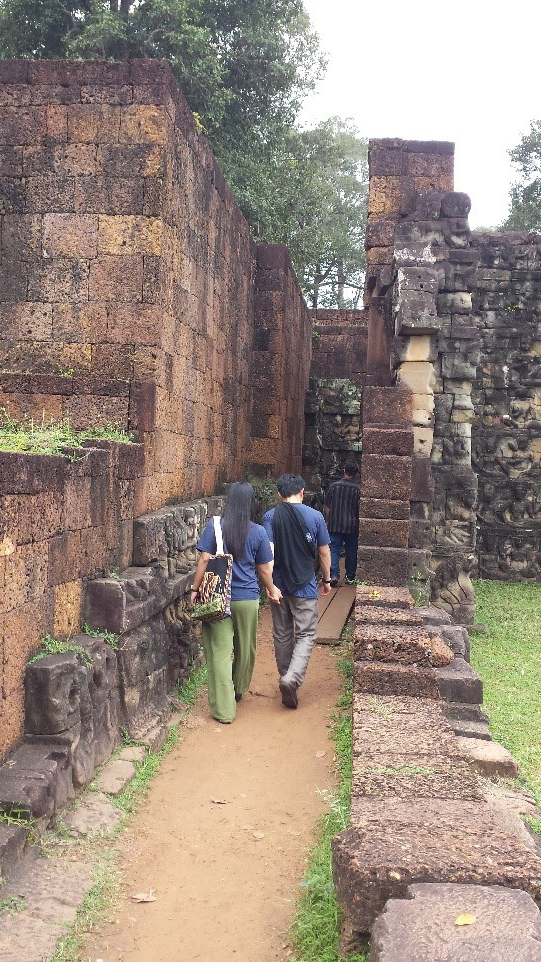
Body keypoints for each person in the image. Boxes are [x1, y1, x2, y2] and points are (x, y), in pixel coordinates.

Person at [191, 482, 282, 723]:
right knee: (246, 648)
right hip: (247, 598)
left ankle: (224, 710)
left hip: (218, 598)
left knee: (220, 653)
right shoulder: (259, 532)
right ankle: (239, 689)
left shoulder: (215, 526)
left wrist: (195, 589)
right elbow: (264, 569)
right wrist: (272, 589)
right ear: (251, 503)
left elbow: (204, 559)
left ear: (229, 501)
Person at [262, 474, 331, 710]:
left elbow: (269, 553)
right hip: (305, 585)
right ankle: (291, 679)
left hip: (279, 585)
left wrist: (270, 586)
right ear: (302, 492)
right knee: (306, 634)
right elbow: (324, 552)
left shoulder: (270, 517)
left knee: (282, 634)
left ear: (279, 494)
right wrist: (327, 579)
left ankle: (286, 676)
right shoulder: (316, 516)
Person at [324, 461, 360, 587]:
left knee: (334, 550)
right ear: (355, 474)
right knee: (351, 551)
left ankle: (334, 575)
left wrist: (328, 521)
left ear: (344, 471)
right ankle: (350, 577)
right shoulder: (358, 489)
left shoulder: (334, 487)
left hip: (335, 523)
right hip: (352, 525)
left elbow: (327, 507)